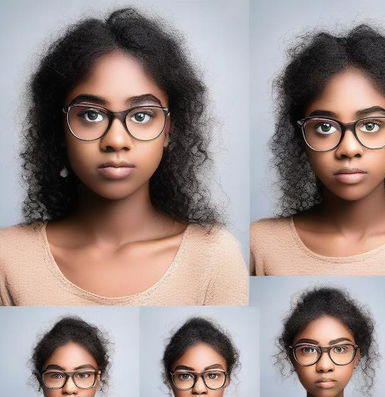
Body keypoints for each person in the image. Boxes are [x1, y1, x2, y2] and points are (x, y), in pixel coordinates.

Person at [0, 7, 247, 306]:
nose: (116, 140)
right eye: (91, 115)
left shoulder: (214, 257)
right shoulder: (7, 258)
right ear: (60, 128)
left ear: (168, 130)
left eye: (142, 115)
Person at [251, 24, 385, 275]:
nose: (349, 148)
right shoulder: (260, 244)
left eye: (370, 125)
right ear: (302, 135)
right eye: (324, 127)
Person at [260, 287, 385, 397]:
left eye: (340, 349)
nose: (324, 366)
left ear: (357, 357)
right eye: (308, 350)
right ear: (291, 357)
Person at [1, 316, 137, 397]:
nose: (69, 389)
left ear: (98, 379)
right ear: (40, 380)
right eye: (56, 375)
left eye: (83, 375)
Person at [141, 318, 259, 397]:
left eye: (213, 375)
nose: (199, 388)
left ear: (228, 378)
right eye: (185, 376)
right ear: (169, 379)